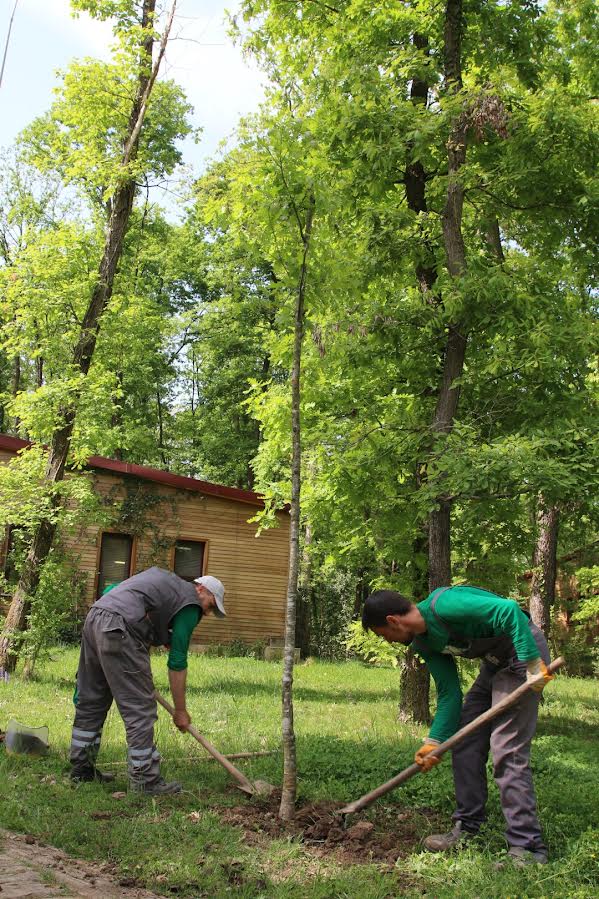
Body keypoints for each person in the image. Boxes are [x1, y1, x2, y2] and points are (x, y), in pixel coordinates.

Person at [362, 584, 553, 867]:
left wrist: (533, 664)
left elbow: (510, 611)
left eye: (384, 635)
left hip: (523, 650)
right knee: (465, 739)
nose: (388, 641)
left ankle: (529, 848)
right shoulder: (424, 642)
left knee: (506, 749)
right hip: (495, 663)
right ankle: (468, 825)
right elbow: (449, 692)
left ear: (393, 620)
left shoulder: (446, 604)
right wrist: (435, 741)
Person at [69, 567, 226, 794]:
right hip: (120, 629)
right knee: (140, 708)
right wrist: (180, 711)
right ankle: (145, 781)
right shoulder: (191, 605)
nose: (208, 613)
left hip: (96, 617)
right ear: (201, 589)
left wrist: (159, 635)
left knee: (91, 700)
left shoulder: (163, 581)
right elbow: (178, 662)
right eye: (211, 605)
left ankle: (81, 770)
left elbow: (112, 590)